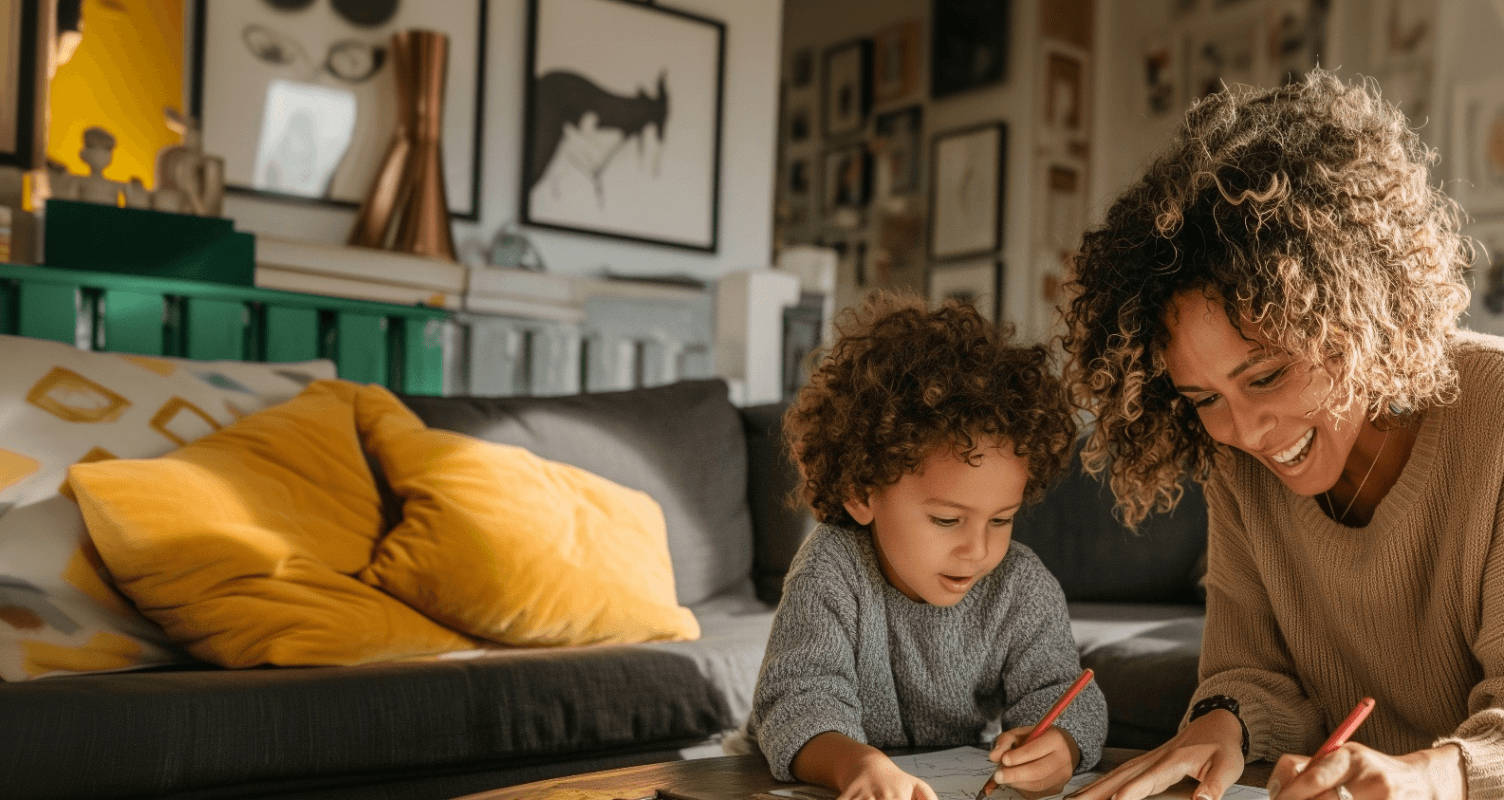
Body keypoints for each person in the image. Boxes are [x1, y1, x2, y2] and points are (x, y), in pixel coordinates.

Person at [1060, 69, 1503, 800]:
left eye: (1264, 376)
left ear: (1355, 315)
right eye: (1203, 396)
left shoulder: (1495, 417)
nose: (1245, 430)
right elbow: (1252, 672)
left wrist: (1424, 779)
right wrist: (1220, 724)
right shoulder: (1237, 462)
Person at [741, 292, 1107, 799]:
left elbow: (1065, 695)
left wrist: (1060, 745)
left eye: (1002, 520)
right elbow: (799, 701)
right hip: (805, 777)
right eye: (946, 519)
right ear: (862, 491)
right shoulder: (830, 568)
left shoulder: (1020, 585)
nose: (977, 549)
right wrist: (857, 766)